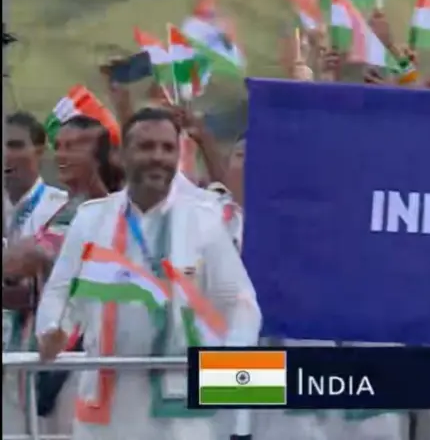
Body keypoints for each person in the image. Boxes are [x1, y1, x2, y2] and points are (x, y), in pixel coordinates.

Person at [34, 107, 261, 440]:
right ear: (122, 155)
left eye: (168, 148)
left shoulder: (204, 221)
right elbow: (61, 293)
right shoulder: (92, 219)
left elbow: (241, 304)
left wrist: (226, 375)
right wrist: (52, 329)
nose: (158, 157)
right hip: (108, 408)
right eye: (146, 147)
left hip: (182, 409)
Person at [3, 111, 76, 440]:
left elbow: (29, 271)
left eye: (16, 145)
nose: (6, 154)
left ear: (40, 150)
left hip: (43, 363)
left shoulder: (60, 207)